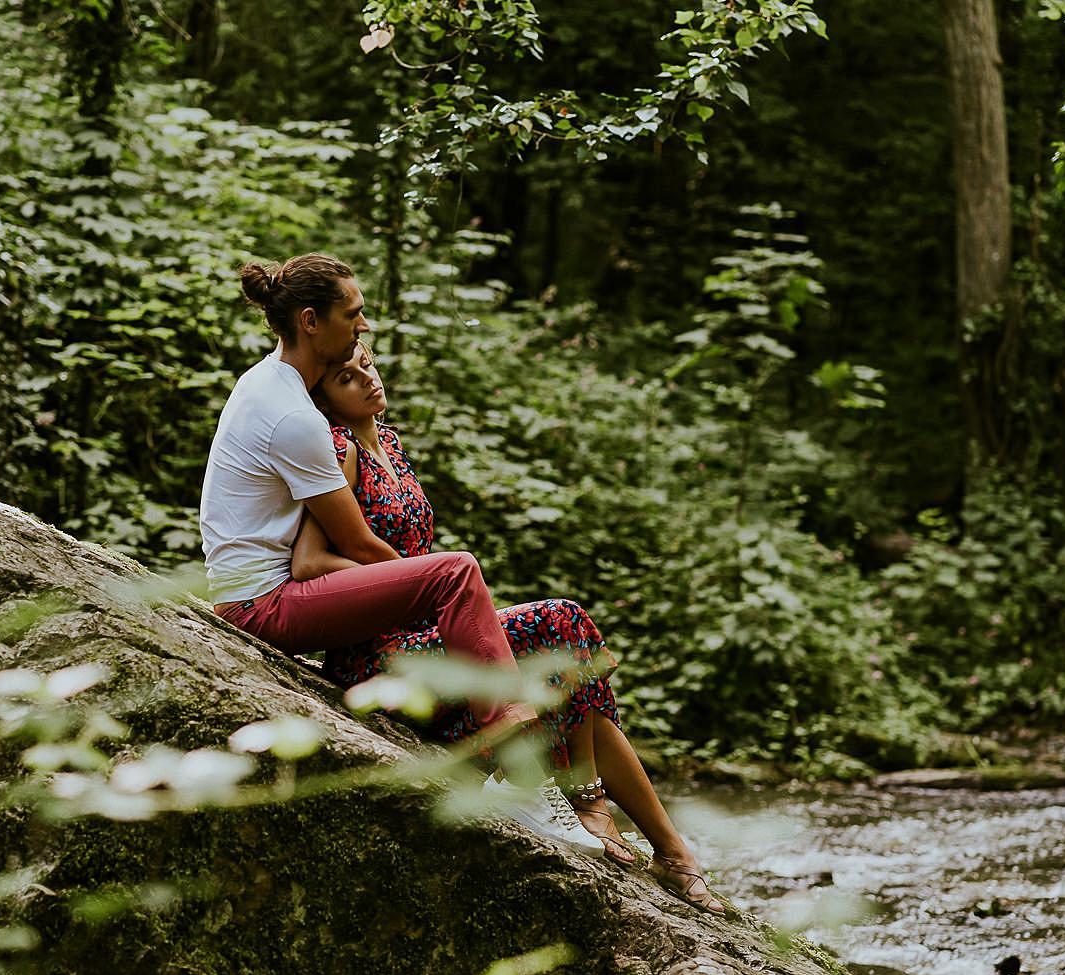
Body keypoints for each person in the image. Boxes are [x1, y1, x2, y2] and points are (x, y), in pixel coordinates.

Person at [290, 341, 726, 915]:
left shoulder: (390, 445)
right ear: (323, 398)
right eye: (347, 378)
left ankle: (667, 848)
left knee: (569, 658)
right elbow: (309, 564)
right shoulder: (339, 452)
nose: (367, 380)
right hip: (381, 656)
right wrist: (404, 586)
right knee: (559, 623)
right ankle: (602, 808)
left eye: (367, 364)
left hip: (433, 632)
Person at [200, 252, 601, 856]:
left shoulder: (274, 386)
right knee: (457, 571)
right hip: (261, 605)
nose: (364, 327)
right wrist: (433, 596)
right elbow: (359, 543)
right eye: (353, 315)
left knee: (466, 589)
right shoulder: (292, 414)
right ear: (311, 321)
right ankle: (521, 773)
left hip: (269, 593)